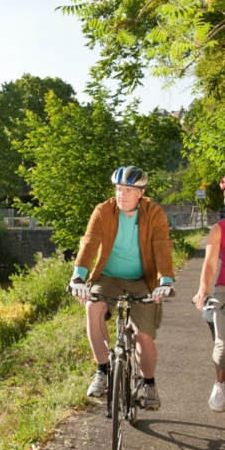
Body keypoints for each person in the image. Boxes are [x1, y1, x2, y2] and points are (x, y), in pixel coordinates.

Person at [69, 166, 175, 410]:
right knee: (92, 307)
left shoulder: (154, 213)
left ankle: (149, 384)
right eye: (118, 189)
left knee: (143, 336)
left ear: (141, 192)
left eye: (128, 190)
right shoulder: (103, 211)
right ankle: (102, 371)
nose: (122, 195)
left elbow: (162, 247)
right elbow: (89, 242)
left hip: (142, 278)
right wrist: (78, 278)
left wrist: (165, 281)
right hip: (108, 276)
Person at [191, 210, 225, 413]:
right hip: (224, 289)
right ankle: (220, 385)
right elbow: (210, 263)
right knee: (223, 349)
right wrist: (203, 290)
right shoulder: (219, 229)